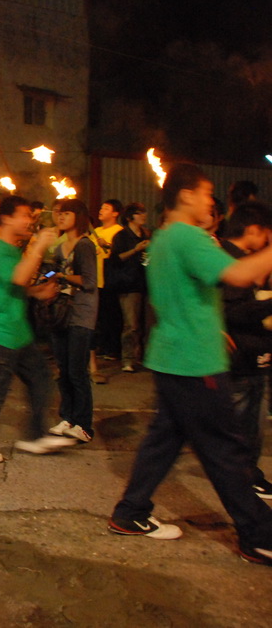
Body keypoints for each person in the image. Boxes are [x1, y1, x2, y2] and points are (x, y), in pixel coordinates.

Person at [108, 163, 272, 564]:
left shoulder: (163, 238)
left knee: (164, 440)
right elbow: (237, 273)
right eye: (204, 192)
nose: (210, 201)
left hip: (172, 355)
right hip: (195, 362)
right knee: (226, 452)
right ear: (185, 196)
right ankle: (258, 535)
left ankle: (130, 513)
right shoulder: (187, 236)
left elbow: (183, 294)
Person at [0, 195, 77, 463]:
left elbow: (15, 285)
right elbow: (19, 276)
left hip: (17, 332)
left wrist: (36, 291)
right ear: (7, 218)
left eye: (31, 217)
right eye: (25, 215)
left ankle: (36, 436)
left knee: (41, 380)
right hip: (0, 332)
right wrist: (39, 246)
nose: (30, 221)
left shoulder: (14, 250)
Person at [217, 201, 272, 499]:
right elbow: (236, 312)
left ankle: (247, 475)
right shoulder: (231, 259)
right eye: (266, 234)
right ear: (253, 230)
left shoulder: (237, 257)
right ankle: (242, 479)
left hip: (250, 354)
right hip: (240, 356)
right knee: (242, 425)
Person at [46, 198, 99, 444]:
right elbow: (51, 271)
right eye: (59, 213)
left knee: (78, 371)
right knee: (63, 370)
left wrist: (62, 275)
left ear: (78, 216)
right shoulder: (58, 246)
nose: (61, 217)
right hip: (61, 313)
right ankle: (67, 417)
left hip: (81, 313)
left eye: (67, 213)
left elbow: (89, 281)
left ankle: (84, 425)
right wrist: (44, 274)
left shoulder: (85, 245)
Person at [110, 202, 150, 372]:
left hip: (144, 282)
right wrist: (135, 250)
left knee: (145, 324)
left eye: (144, 212)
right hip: (127, 283)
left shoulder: (146, 234)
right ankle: (127, 359)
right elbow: (116, 259)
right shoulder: (121, 236)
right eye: (139, 213)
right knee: (131, 324)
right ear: (130, 217)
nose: (143, 216)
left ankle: (139, 356)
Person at [94, 199, 124, 363]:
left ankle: (113, 349)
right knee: (99, 317)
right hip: (96, 278)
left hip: (110, 280)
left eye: (106, 208)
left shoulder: (118, 231)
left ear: (115, 213)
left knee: (111, 316)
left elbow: (119, 253)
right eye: (101, 207)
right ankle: (101, 345)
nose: (101, 210)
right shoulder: (96, 231)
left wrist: (107, 245)